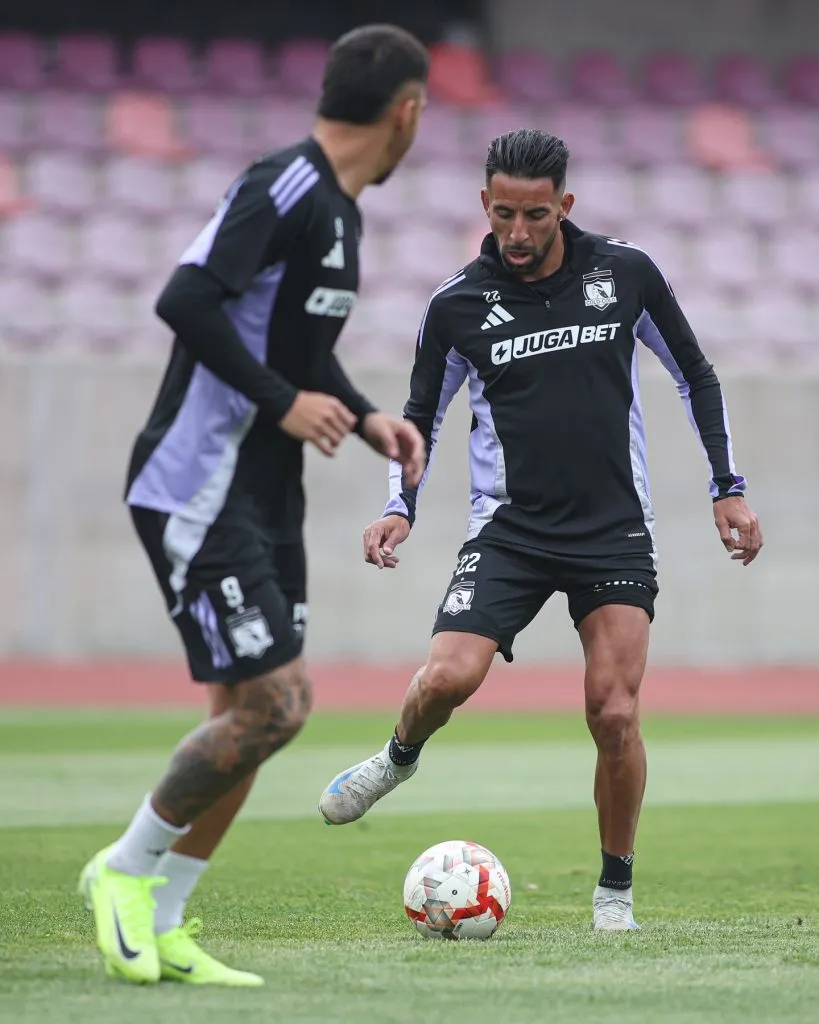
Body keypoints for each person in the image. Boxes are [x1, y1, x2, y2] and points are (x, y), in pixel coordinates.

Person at [318, 128, 763, 931]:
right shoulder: (455, 304)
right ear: (483, 206)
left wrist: (725, 487)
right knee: (448, 678)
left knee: (614, 713)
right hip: (510, 531)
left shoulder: (625, 274)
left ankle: (613, 894)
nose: (516, 234)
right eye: (501, 215)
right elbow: (421, 416)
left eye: (532, 215)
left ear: (564, 205)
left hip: (612, 529)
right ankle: (397, 757)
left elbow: (694, 372)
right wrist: (399, 505)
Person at [78, 24, 429, 986]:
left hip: (265, 495)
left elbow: (298, 349)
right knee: (278, 705)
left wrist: (362, 418)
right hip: (198, 483)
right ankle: (121, 869)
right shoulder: (283, 183)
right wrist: (284, 404)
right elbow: (185, 299)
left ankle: (170, 917)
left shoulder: (343, 216)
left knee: (254, 712)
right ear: (407, 113)